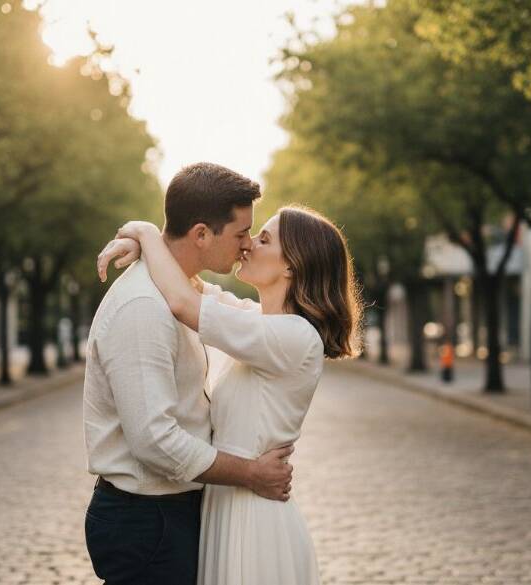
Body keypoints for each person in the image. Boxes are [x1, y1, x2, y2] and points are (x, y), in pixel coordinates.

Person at [97, 202, 363, 585]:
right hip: (226, 504)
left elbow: (182, 302)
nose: (248, 245)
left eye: (263, 238)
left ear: (291, 265)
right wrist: (147, 241)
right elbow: (188, 282)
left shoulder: (294, 336)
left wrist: (145, 232)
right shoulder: (256, 321)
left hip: (253, 516)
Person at [83, 162, 295, 585]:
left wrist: (144, 235)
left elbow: (248, 319)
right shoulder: (143, 307)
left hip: (168, 514)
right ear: (201, 234)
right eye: (240, 234)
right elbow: (154, 441)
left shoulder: (187, 290)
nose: (247, 244)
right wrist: (251, 473)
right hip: (146, 520)